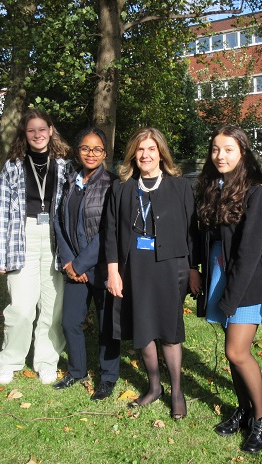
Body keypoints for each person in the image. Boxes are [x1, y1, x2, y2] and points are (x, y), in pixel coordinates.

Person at [105, 127, 201, 420]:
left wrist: (194, 268)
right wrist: (113, 270)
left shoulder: (180, 187)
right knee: (143, 328)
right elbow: (111, 232)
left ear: (161, 153)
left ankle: (177, 391)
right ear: (133, 153)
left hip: (171, 267)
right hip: (134, 268)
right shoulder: (121, 188)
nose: (145, 155)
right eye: (140, 149)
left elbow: (192, 232)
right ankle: (154, 386)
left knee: (170, 331)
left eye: (151, 149)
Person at [195, 125, 262, 454]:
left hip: (246, 279)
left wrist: (232, 296)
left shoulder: (256, 189)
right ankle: (244, 410)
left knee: (236, 351)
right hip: (219, 272)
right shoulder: (212, 185)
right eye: (215, 149)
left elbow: (251, 249)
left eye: (228, 149)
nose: (220, 155)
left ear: (242, 152)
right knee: (232, 349)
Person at [0, 108, 71, 385]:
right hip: (22, 235)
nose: (38, 135)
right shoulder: (13, 166)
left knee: (53, 307)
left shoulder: (64, 165)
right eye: (31, 130)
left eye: (42, 129)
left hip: (55, 238)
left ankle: (47, 360)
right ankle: (10, 360)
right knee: (22, 307)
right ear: (24, 134)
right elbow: (1, 210)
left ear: (51, 130)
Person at [52, 127, 120, 400]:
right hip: (74, 267)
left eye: (97, 149)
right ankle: (77, 370)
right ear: (77, 150)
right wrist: (69, 260)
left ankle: (108, 377)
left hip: (102, 267)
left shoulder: (113, 184)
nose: (91, 154)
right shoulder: (69, 181)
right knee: (70, 321)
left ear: (105, 153)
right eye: (85, 148)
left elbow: (109, 231)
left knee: (107, 326)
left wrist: (81, 263)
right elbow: (58, 220)